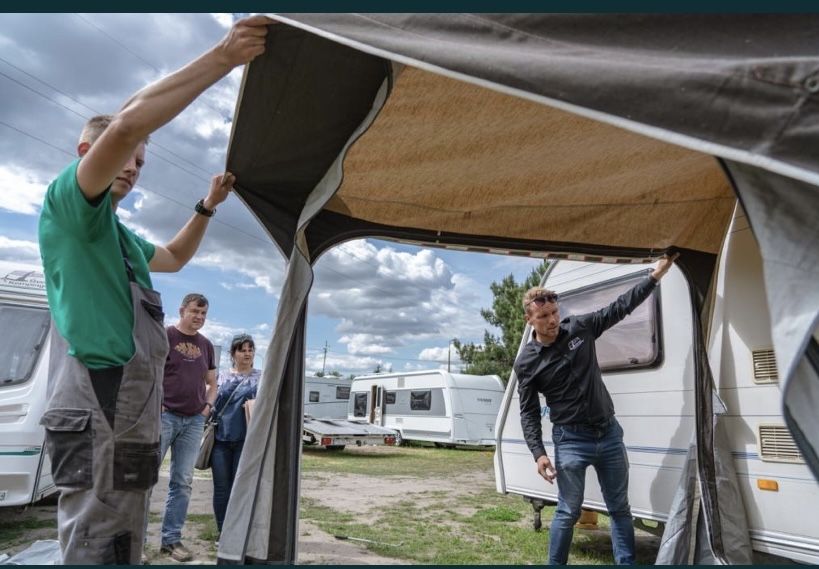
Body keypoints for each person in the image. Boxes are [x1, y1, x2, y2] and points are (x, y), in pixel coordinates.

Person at [36, 16, 272, 565]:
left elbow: (176, 257)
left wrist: (207, 205)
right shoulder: (70, 207)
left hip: (138, 407)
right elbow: (123, 127)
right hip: (98, 397)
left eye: (141, 163)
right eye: (124, 156)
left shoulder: (118, 236)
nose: (132, 166)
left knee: (130, 513)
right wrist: (224, 56)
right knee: (97, 526)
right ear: (85, 152)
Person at [515, 253, 678, 565]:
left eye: (554, 312)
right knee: (568, 510)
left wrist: (654, 277)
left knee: (619, 509)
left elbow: (619, 308)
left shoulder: (579, 329)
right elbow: (528, 412)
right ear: (529, 320)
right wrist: (538, 453)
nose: (551, 320)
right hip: (571, 440)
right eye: (543, 316)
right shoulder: (527, 362)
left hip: (608, 433)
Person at [151, 293, 217, 562]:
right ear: (182, 310)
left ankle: (171, 541)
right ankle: (135, 541)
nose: (199, 317)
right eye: (194, 312)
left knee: (183, 482)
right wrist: (157, 405)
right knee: (146, 479)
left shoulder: (206, 345)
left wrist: (206, 408)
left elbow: (212, 382)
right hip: (164, 417)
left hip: (193, 421)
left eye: (203, 314)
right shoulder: (165, 336)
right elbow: (149, 372)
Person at [211, 334, 260, 534]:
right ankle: (222, 532)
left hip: (246, 441)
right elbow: (210, 402)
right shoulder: (221, 377)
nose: (247, 353)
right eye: (242, 350)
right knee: (221, 489)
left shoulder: (261, 377)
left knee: (240, 489)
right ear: (233, 353)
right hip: (220, 440)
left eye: (250, 349)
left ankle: (238, 532)